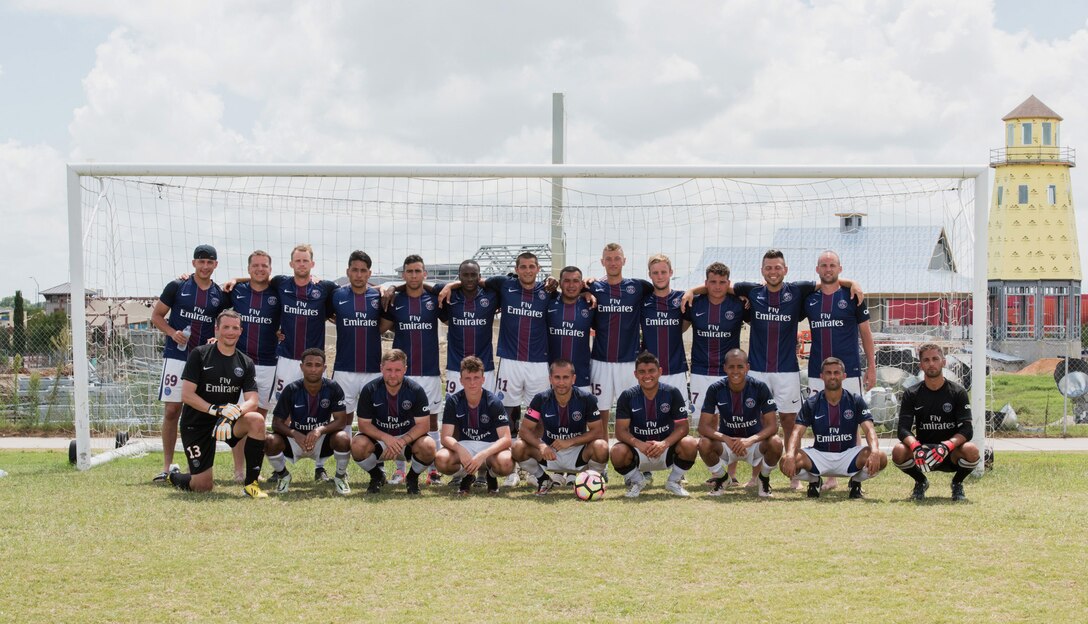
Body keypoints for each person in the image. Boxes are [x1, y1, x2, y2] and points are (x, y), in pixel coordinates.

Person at [733, 249, 861, 490]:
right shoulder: (750, 290)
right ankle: (757, 475)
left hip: (788, 370)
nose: (773, 271)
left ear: (786, 270)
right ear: (762, 271)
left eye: (777, 267)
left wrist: (852, 282)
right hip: (758, 370)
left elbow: (827, 279)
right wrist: (690, 291)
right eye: (769, 268)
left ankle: (795, 473)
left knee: (790, 420)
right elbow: (719, 287)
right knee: (759, 422)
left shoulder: (797, 291)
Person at [439, 251, 552, 487]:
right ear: (517, 268)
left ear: (538, 268)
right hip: (509, 360)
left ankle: (532, 467)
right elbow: (472, 280)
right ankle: (500, 467)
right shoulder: (503, 286)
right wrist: (451, 283)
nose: (528, 270)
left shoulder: (547, 291)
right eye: (523, 266)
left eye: (532, 266)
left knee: (536, 415)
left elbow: (571, 291)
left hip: (537, 363)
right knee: (507, 411)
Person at [165, 310, 269, 498]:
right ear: (217, 330)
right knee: (202, 486)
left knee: (256, 419)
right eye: (226, 327)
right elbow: (187, 395)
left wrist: (235, 412)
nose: (230, 331)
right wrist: (216, 410)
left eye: (235, 328)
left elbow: (253, 400)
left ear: (240, 331)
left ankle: (251, 485)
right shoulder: (200, 354)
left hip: (227, 422)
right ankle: (174, 476)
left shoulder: (245, 362)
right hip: (196, 423)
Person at [149, 244, 230, 482]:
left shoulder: (220, 294)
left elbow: (223, 324)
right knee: (173, 410)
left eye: (210, 262)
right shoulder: (177, 286)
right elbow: (156, 316)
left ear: (215, 265)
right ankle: (166, 466)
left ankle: (195, 465)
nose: (205, 266)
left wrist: (217, 337)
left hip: (204, 361)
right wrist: (172, 332)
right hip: (176, 356)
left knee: (197, 414)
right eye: (201, 261)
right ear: (194, 263)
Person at [802, 250, 876, 492]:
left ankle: (854, 475)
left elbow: (866, 333)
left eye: (832, 265)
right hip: (817, 370)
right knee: (820, 420)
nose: (828, 269)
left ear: (840, 269)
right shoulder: (809, 298)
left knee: (852, 420)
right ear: (817, 270)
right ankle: (828, 474)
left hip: (849, 370)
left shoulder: (852, 295)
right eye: (823, 265)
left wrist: (872, 367)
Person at [780, 357, 886, 499]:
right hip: (820, 455)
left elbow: (869, 429)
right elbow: (796, 432)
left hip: (848, 455)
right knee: (784, 461)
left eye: (836, 373)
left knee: (881, 457)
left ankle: (856, 482)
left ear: (844, 376)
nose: (832, 376)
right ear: (822, 376)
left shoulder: (855, 400)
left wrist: (873, 451)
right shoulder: (812, 403)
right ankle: (814, 481)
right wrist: (791, 454)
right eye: (828, 373)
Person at [380, 254, 444, 485]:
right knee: (400, 420)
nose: (414, 275)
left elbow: (447, 295)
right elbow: (379, 328)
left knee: (432, 421)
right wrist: (388, 289)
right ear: (403, 274)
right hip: (402, 373)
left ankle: (434, 471)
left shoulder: (435, 299)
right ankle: (399, 470)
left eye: (418, 271)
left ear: (424, 274)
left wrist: (393, 286)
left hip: (429, 371)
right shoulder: (395, 301)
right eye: (410, 271)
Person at [684, 262, 747, 486]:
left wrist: (735, 291)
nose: (717, 286)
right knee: (705, 424)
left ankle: (731, 474)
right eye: (713, 282)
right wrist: (692, 291)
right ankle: (716, 472)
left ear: (728, 284)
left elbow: (744, 292)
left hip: (729, 374)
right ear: (706, 282)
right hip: (701, 371)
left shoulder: (738, 304)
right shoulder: (695, 303)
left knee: (730, 423)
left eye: (722, 282)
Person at [891, 344, 980, 502]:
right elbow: (903, 429)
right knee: (898, 451)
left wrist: (946, 446)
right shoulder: (911, 393)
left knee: (971, 450)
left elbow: (967, 430)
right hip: (923, 454)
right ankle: (921, 481)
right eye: (926, 360)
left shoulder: (958, 392)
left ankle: (957, 483)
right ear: (921, 365)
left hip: (950, 452)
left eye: (935, 359)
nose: (931, 363)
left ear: (943, 362)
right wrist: (916, 447)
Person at [513, 359, 609, 495]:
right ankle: (543, 480)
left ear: (573, 379)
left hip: (578, 453)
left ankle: (591, 482)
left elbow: (598, 431)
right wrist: (541, 445)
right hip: (550, 452)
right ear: (550, 379)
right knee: (518, 447)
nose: (561, 382)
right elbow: (524, 430)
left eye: (566, 377)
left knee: (601, 446)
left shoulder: (587, 399)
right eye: (557, 377)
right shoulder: (540, 399)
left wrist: (570, 441)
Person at [265, 348, 353, 496]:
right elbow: (276, 423)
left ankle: (340, 477)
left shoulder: (333, 388)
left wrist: (319, 430)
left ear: (324, 368)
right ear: (301, 367)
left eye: (318, 365)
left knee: (343, 438)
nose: (313, 369)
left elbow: (341, 421)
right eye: (309, 364)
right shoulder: (291, 389)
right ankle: (283, 476)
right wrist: (294, 433)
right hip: (296, 440)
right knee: (269, 441)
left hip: (321, 440)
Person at [609, 352, 698, 498]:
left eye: (651, 371)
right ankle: (638, 482)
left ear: (660, 372)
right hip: (639, 451)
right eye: (642, 372)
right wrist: (639, 444)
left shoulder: (672, 393)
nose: (647, 375)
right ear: (635, 374)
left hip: (666, 449)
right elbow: (620, 431)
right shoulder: (627, 396)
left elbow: (683, 427)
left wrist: (664, 443)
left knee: (690, 443)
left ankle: (674, 481)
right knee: (617, 451)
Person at [350, 349, 436, 495]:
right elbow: (364, 424)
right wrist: (386, 438)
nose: (393, 374)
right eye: (388, 369)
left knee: (428, 446)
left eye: (398, 370)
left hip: (406, 441)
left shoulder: (415, 390)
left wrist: (401, 441)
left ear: (405, 370)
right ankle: (377, 476)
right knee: (357, 445)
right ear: (381, 368)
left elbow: (424, 425)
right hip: (380, 440)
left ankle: (412, 478)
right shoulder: (370, 389)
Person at [698, 349, 782, 498]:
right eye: (731, 367)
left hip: (753, 444)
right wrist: (725, 438)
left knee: (776, 442)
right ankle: (722, 478)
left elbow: (773, 426)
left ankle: (763, 479)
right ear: (725, 368)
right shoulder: (715, 389)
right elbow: (703, 427)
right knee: (704, 443)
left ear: (747, 367)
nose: (735, 371)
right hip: (727, 444)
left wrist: (750, 440)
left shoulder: (759, 387)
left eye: (740, 366)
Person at [589, 243, 654, 428]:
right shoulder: (594, 288)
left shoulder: (638, 286)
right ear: (602, 262)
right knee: (599, 412)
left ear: (624, 261)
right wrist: (587, 287)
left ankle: (630, 452)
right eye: (608, 259)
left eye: (617, 258)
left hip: (629, 361)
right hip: (601, 361)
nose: (613, 263)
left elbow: (661, 291)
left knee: (632, 410)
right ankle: (601, 454)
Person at [435, 356, 514, 495]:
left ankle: (491, 475)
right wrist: (460, 449)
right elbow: (445, 437)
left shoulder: (493, 402)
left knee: (506, 463)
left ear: (483, 379)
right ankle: (467, 475)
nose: (472, 383)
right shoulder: (454, 401)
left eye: (476, 378)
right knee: (441, 459)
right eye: (467, 378)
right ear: (461, 380)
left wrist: (483, 454)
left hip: (489, 446)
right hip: (465, 445)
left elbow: (506, 439)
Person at [328, 251, 383, 422]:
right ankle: (342, 450)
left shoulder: (380, 296)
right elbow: (319, 313)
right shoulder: (336, 295)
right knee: (342, 419)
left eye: (363, 270)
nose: (359, 275)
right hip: (344, 368)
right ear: (348, 271)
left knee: (375, 418)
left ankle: (371, 449)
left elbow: (388, 323)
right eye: (355, 270)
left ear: (369, 273)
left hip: (373, 368)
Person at [639, 254, 690, 401]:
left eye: (663, 272)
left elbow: (713, 291)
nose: (660, 276)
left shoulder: (683, 298)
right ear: (650, 275)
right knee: (648, 418)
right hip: (649, 372)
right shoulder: (642, 301)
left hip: (676, 369)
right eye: (655, 273)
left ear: (671, 272)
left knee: (679, 420)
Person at [546, 266, 595, 395]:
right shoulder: (548, 303)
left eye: (575, 281)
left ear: (581, 283)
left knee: (586, 413)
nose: (571, 285)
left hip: (581, 375)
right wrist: (548, 279)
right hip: (549, 376)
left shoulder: (590, 304)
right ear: (560, 283)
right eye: (567, 281)